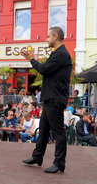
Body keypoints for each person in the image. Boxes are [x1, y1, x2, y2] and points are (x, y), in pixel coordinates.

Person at [21, 27, 72, 173]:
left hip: (55, 98)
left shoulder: (61, 53)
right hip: (51, 98)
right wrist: (34, 60)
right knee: (43, 129)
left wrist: (31, 60)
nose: (46, 38)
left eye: (48, 36)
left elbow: (43, 69)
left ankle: (59, 163)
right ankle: (37, 156)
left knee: (58, 132)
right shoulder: (57, 53)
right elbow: (46, 69)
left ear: (55, 37)